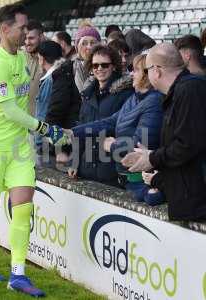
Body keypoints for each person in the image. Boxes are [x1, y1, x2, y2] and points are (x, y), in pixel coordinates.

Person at [0, 4, 66, 297]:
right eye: (22, 27)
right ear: (5, 29)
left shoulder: (24, 58)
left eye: (28, 28)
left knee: (23, 207)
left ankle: (18, 274)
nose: (27, 32)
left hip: (19, 147)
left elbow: (28, 99)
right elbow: (10, 109)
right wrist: (45, 129)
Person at [122, 43, 206, 221]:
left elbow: (187, 145)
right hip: (191, 203)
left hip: (199, 206)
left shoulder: (189, 90)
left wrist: (152, 159)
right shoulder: (181, 91)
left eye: (147, 69)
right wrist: (152, 158)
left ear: (157, 70)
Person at [68, 54, 164, 205]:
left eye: (136, 70)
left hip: (141, 180)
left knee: (152, 199)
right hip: (127, 178)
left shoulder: (154, 102)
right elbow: (110, 122)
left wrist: (110, 145)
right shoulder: (135, 99)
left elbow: (140, 145)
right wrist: (73, 132)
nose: (131, 73)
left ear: (147, 74)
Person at [72, 44, 134, 184]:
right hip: (86, 170)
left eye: (104, 65)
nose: (99, 69)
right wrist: (74, 162)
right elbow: (82, 129)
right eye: (95, 65)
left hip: (112, 171)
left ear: (114, 66)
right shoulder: (87, 96)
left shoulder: (126, 94)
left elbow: (125, 130)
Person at [24, 19, 45, 115]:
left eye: (31, 38)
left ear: (41, 36)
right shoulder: (21, 56)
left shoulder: (52, 57)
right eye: (25, 38)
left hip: (43, 122)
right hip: (23, 120)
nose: (27, 42)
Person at [73, 26, 101, 93]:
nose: (89, 47)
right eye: (84, 43)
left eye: (93, 43)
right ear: (77, 47)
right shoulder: (70, 69)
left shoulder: (106, 66)